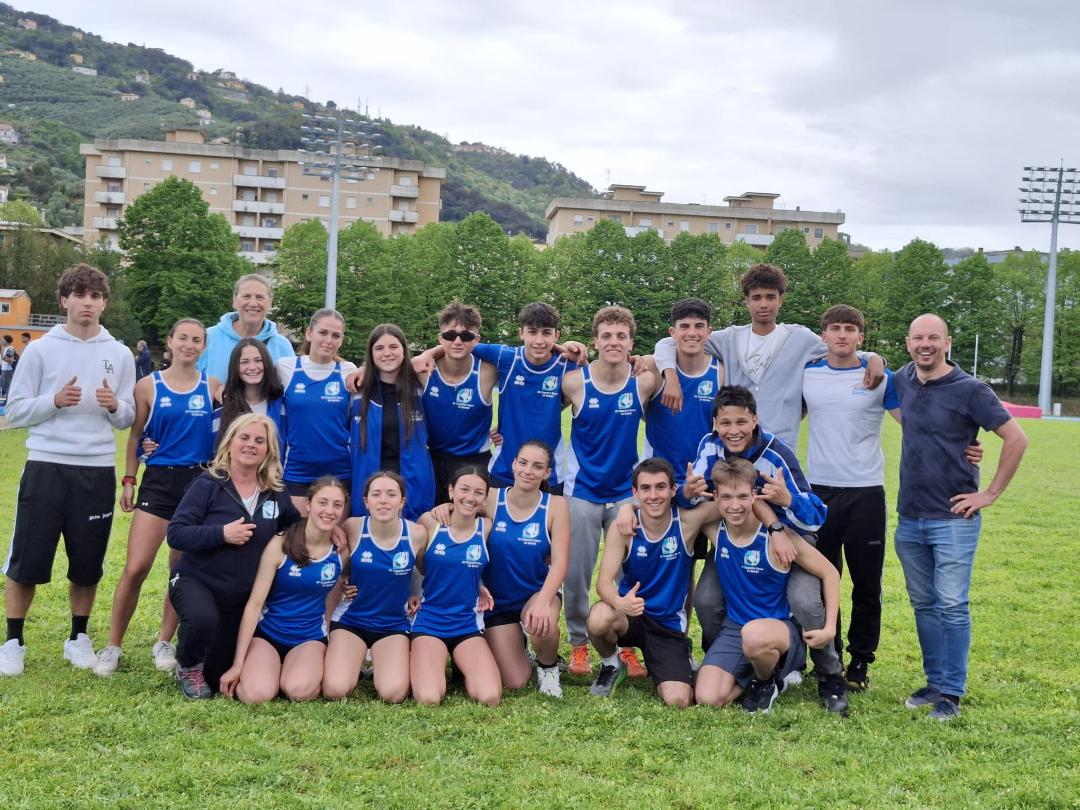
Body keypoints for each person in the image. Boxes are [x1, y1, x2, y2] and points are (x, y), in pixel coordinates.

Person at [0, 264, 135, 677]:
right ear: (64, 300)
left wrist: (115, 406)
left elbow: (128, 417)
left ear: (104, 303)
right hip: (46, 465)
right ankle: (13, 641)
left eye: (95, 296)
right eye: (79, 295)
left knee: (87, 562)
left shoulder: (120, 353)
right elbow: (15, 411)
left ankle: (78, 637)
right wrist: (54, 401)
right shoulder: (41, 350)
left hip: (96, 470)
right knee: (27, 560)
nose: (88, 303)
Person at [682, 385, 849, 713]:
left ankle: (829, 673)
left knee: (804, 600)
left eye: (741, 422)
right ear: (715, 423)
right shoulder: (710, 446)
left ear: (755, 420)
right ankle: (732, 660)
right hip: (738, 532)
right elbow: (701, 497)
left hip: (790, 537)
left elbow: (816, 516)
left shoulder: (776, 454)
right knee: (707, 598)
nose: (733, 430)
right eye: (725, 423)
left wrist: (785, 506)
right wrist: (685, 492)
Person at [894, 314, 1027, 721]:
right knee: (924, 604)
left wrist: (989, 494)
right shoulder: (902, 379)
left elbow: (1016, 438)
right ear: (908, 343)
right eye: (918, 338)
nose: (926, 344)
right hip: (909, 516)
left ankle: (951, 692)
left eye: (934, 337)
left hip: (953, 517)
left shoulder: (971, 389)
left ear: (947, 342)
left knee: (952, 605)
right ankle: (934, 682)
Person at [94, 318, 222, 677]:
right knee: (136, 567)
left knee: (180, 569)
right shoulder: (148, 385)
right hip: (159, 482)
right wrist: (129, 479)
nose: (189, 345)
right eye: (183, 338)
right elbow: (136, 436)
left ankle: (164, 641)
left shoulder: (213, 386)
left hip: (197, 484)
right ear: (170, 341)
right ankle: (112, 646)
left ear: (204, 347)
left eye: (196, 340)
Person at [652, 263, 883, 448]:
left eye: (770, 297)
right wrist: (670, 376)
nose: (763, 304)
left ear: (780, 300)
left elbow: (840, 348)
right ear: (747, 301)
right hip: (735, 447)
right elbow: (668, 342)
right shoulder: (728, 339)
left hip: (780, 447)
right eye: (757, 297)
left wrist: (872, 357)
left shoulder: (800, 338)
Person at [166, 413, 300, 698]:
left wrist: (331, 534)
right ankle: (187, 665)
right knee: (202, 618)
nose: (251, 444)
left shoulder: (275, 491)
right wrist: (222, 533)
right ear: (230, 443)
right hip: (196, 580)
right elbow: (176, 533)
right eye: (245, 437)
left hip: (239, 595)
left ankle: (206, 662)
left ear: (269, 450)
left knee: (216, 674)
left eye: (260, 440)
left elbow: (294, 526)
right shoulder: (208, 483)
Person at [696, 458, 840, 713]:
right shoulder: (715, 529)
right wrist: (628, 511)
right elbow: (674, 510)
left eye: (742, 496)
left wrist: (829, 628)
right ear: (715, 497)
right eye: (726, 497)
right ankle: (759, 677)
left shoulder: (778, 537)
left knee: (754, 635)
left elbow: (830, 573)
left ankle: (766, 681)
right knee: (707, 698)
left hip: (779, 629)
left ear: (755, 495)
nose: (735, 505)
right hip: (735, 628)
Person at [562, 306, 659, 678]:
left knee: (627, 572)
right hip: (582, 491)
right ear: (595, 341)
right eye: (606, 336)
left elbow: (668, 363)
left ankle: (626, 644)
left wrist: (651, 359)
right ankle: (578, 642)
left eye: (621, 336)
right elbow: (536, 405)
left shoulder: (643, 382)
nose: (613, 342)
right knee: (576, 573)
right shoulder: (575, 382)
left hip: (625, 495)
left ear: (631, 343)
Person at [433, 439, 569, 697]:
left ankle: (548, 667)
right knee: (515, 681)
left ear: (547, 472)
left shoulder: (555, 505)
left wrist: (543, 601)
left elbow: (561, 561)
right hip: (498, 602)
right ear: (513, 464)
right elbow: (464, 505)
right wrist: (446, 506)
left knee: (543, 622)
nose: (528, 471)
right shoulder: (492, 498)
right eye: (523, 463)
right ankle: (519, 645)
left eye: (537, 466)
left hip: (535, 593)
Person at [586, 458, 723, 708]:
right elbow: (603, 582)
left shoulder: (687, 521)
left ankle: (674, 659)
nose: (653, 495)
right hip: (631, 614)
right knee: (599, 617)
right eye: (645, 488)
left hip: (667, 625)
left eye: (660, 487)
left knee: (678, 700)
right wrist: (619, 602)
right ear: (635, 492)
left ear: (673, 490)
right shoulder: (624, 527)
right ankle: (611, 665)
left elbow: (728, 504)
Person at [219, 478, 345, 704]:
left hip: (310, 637)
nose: (329, 510)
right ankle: (266, 670)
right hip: (269, 634)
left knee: (299, 691)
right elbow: (255, 604)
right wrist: (238, 664)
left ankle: (293, 671)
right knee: (257, 695)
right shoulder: (281, 544)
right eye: (322, 502)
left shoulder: (341, 551)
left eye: (337, 505)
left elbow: (365, 577)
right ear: (308, 504)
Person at [323, 471, 428, 703]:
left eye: (391, 494)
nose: (383, 500)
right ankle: (356, 661)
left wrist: (415, 593)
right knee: (335, 690)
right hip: (352, 620)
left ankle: (377, 662)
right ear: (366, 501)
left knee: (393, 693)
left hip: (393, 623)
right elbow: (334, 569)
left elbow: (426, 570)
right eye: (376, 494)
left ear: (402, 501)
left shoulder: (417, 533)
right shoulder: (352, 527)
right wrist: (342, 583)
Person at [470, 302, 586, 492]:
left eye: (546, 333)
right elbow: (463, 344)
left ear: (556, 335)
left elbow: (598, 378)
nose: (539, 340)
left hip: (549, 473)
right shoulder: (506, 358)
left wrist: (578, 354)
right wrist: (429, 354)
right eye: (532, 332)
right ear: (521, 333)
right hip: (504, 469)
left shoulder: (568, 365)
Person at [410, 467, 501, 707]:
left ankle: (462, 668)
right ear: (451, 491)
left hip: (466, 623)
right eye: (464, 489)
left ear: (485, 499)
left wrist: (479, 584)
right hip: (429, 621)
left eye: (478, 493)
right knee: (429, 698)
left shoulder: (486, 527)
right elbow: (412, 563)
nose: (470, 497)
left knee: (489, 697)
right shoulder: (429, 522)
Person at [351, 324, 435, 522]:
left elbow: (453, 350)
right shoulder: (356, 390)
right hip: (368, 486)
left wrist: (429, 353)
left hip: (414, 486)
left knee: (413, 537)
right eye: (379, 348)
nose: (387, 353)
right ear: (371, 354)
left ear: (404, 350)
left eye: (394, 347)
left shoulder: (421, 385)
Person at [277, 309, 356, 514]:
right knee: (298, 532)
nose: (329, 340)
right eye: (323, 333)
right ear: (309, 333)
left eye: (336, 335)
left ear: (341, 340)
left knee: (334, 532)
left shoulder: (348, 371)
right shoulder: (286, 368)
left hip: (339, 471)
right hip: (297, 470)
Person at [421, 301, 498, 503]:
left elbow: (530, 360)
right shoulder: (423, 369)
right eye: (450, 335)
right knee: (431, 519)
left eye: (466, 336)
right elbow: (385, 366)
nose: (457, 341)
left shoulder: (488, 371)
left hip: (474, 462)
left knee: (472, 521)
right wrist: (362, 370)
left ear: (477, 339)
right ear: (440, 338)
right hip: (432, 461)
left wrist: (563, 347)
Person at [199, 273, 295, 382]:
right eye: (246, 296)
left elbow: (291, 387)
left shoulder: (282, 346)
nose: (253, 303)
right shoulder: (208, 338)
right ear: (234, 301)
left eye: (260, 297)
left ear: (270, 303)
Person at [214, 337, 285, 450]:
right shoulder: (223, 404)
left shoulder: (282, 403)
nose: (252, 367)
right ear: (235, 367)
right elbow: (216, 447)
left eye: (258, 360)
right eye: (244, 362)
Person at [1, 334, 17, 400]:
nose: (2, 341)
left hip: (7, 371)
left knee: (7, 387)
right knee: (4, 386)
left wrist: (3, 357)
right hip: (5, 370)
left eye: (3, 340)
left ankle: (7, 401)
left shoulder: (10, 348)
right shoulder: (6, 348)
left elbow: (10, 360)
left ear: (6, 340)